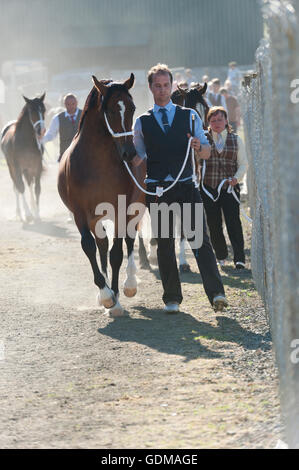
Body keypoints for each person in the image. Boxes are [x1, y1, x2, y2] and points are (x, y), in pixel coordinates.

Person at [132, 63, 227, 313]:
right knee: (165, 243)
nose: (162, 90)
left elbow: (207, 152)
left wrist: (199, 146)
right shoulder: (141, 122)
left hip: (186, 186)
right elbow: (137, 159)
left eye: (166, 86)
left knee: (200, 241)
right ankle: (172, 298)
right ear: (151, 88)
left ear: (171, 86)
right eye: (157, 86)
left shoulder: (190, 116)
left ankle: (216, 294)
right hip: (158, 190)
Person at [200, 106, 247, 270]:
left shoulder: (236, 140)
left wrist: (237, 178)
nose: (217, 123)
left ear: (226, 121)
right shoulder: (203, 139)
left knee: (233, 222)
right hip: (208, 188)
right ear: (209, 123)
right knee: (213, 224)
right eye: (213, 120)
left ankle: (239, 259)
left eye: (220, 119)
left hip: (229, 187)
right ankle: (220, 255)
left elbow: (243, 164)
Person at [41, 93, 82, 162]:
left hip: (82, 153)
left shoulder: (85, 115)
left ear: (77, 103)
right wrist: (40, 140)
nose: (71, 106)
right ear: (64, 104)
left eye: (73, 103)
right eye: (68, 104)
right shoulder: (57, 118)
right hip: (65, 155)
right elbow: (51, 134)